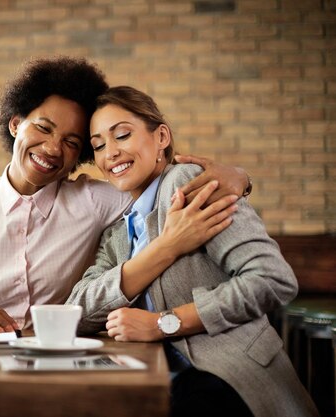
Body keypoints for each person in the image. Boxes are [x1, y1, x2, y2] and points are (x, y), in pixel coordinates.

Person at [0, 56, 251, 332]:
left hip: (63, 361)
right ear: (15, 124)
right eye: (43, 128)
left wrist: (238, 177)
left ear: (80, 156)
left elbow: (164, 183)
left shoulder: (94, 201)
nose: (52, 149)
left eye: (71, 142)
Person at [66, 86, 318, 417]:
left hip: (228, 378)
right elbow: (78, 310)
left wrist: (163, 324)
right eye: (98, 145)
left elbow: (273, 279)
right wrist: (166, 248)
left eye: (122, 135)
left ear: (161, 137)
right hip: (164, 381)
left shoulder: (188, 185)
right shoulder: (118, 230)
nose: (110, 152)